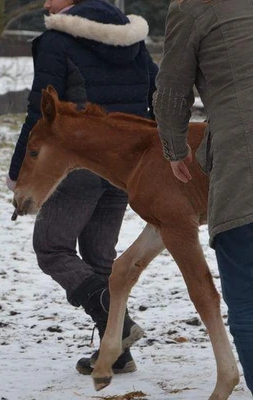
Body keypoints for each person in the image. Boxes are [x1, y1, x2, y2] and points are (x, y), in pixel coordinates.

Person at [7, 0, 158, 374]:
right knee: (98, 255)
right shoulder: (130, 38)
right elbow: (155, 92)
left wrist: (17, 171)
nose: (45, 4)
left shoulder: (57, 40)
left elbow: (40, 113)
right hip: (127, 160)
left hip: (80, 160)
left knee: (51, 246)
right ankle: (117, 353)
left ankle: (112, 316)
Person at [153, 0, 253, 393]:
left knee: (247, 298)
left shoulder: (194, 7)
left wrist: (175, 149)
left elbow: (172, 91)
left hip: (243, 167)